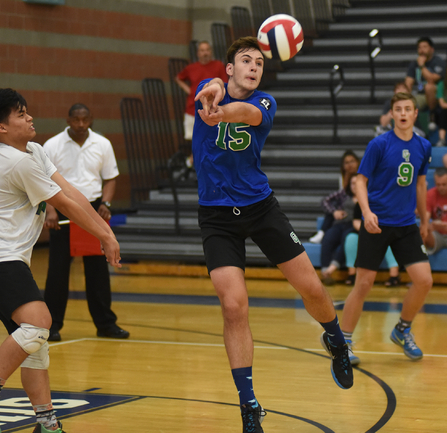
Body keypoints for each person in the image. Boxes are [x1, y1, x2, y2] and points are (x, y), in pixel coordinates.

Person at [192, 36, 353, 432]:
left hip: (261, 209)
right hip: (217, 217)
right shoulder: (207, 89)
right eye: (245, 61)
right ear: (228, 68)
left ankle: (335, 339)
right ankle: (248, 404)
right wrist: (211, 95)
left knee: (312, 288)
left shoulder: (266, 102)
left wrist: (222, 111)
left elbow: (246, 112)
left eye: (259, 63)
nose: (253, 67)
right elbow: (208, 89)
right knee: (234, 306)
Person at [0, 88, 122, 433]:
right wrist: (105, 235)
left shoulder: (33, 150)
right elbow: (65, 205)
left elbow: (73, 193)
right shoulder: (16, 161)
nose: (29, 117)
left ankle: (47, 424)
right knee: (39, 326)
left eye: (27, 111)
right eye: (20, 114)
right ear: (1, 128)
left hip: (7, 258)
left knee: (34, 345)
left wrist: (102, 228)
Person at [341, 92, 433, 366]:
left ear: (415, 114)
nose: (403, 113)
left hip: (406, 224)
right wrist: (367, 213)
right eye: (398, 109)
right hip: (377, 223)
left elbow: (420, 184)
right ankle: (343, 341)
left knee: (424, 280)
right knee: (364, 284)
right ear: (392, 114)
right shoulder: (379, 144)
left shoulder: (424, 146)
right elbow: (359, 182)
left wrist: (425, 220)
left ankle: (402, 329)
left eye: (408, 109)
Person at [42, 104, 129, 342]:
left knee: (98, 272)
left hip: (93, 210)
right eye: (76, 120)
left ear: (91, 119)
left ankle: (105, 324)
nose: (80, 124)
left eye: (84, 120)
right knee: (58, 272)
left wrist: (106, 204)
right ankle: (51, 326)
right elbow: (43, 181)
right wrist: (50, 210)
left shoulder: (102, 144)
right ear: (68, 119)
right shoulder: (52, 145)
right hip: (61, 209)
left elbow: (110, 178)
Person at [175, 41, 227, 161]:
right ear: (198, 53)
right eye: (202, 50)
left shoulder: (218, 66)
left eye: (207, 50)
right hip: (193, 108)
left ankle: (197, 161)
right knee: (195, 138)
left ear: (211, 52)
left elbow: (224, 84)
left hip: (212, 108)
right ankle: (195, 162)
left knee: (210, 138)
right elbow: (179, 78)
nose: (205, 53)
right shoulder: (191, 68)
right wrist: (189, 90)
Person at [343, 200, 401, 287]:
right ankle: (352, 274)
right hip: (364, 231)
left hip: (384, 231)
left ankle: (394, 276)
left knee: (390, 239)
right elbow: (356, 222)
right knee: (350, 238)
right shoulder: (361, 203)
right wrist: (367, 230)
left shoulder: (388, 201)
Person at [309, 150, 360, 244]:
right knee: (333, 205)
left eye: (352, 161)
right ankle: (322, 232)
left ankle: (322, 231)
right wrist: (335, 211)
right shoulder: (343, 180)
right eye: (346, 163)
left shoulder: (364, 177)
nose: (350, 165)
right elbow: (327, 200)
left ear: (358, 162)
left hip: (356, 211)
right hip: (344, 210)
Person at [319, 175, 357, 284]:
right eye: (352, 183)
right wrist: (335, 211)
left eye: (357, 183)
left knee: (347, 240)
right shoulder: (344, 194)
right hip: (340, 223)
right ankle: (325, 271)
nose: (355, 186)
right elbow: (325, 201)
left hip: (353, 225)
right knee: (328, 238)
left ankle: (332, 268)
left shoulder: (366, 196)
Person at [405, 37, 446, 118]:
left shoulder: (438, 62)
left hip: (437, 94)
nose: (422, 50)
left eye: (424, 47)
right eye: (419, 47)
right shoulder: (414, 64)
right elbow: (408, 83)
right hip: (421, 95)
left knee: (429, 87)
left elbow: (431, 79)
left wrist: (422, 66)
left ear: (432, 49)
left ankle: (432, 115)